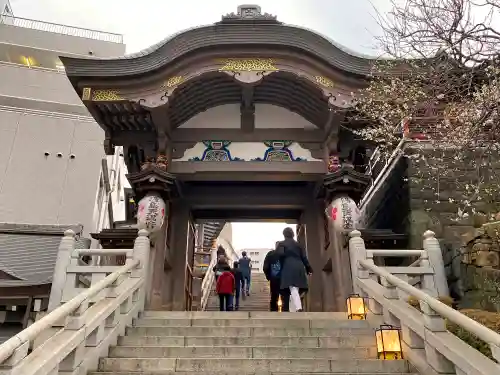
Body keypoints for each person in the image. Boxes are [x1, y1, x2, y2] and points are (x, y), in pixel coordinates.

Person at [276, 227, 313, 312]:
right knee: (294, 288)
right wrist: (308, 268)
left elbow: (279, 255)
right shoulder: (298, 244)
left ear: (284, 234)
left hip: (288, 267)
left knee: (292, 287)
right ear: (292, 234)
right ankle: (293, 309)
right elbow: (304, 257)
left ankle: (298, 308)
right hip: (299, 266)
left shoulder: (282, 244)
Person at [263, 242, 284, 312]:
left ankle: (273, 311)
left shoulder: (270, 254)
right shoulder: (285, 254)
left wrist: (268, 276)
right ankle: (285, 312)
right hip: (284, 279)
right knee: (285, 296)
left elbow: (265, 267)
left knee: (274, 296)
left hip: (274, 279)